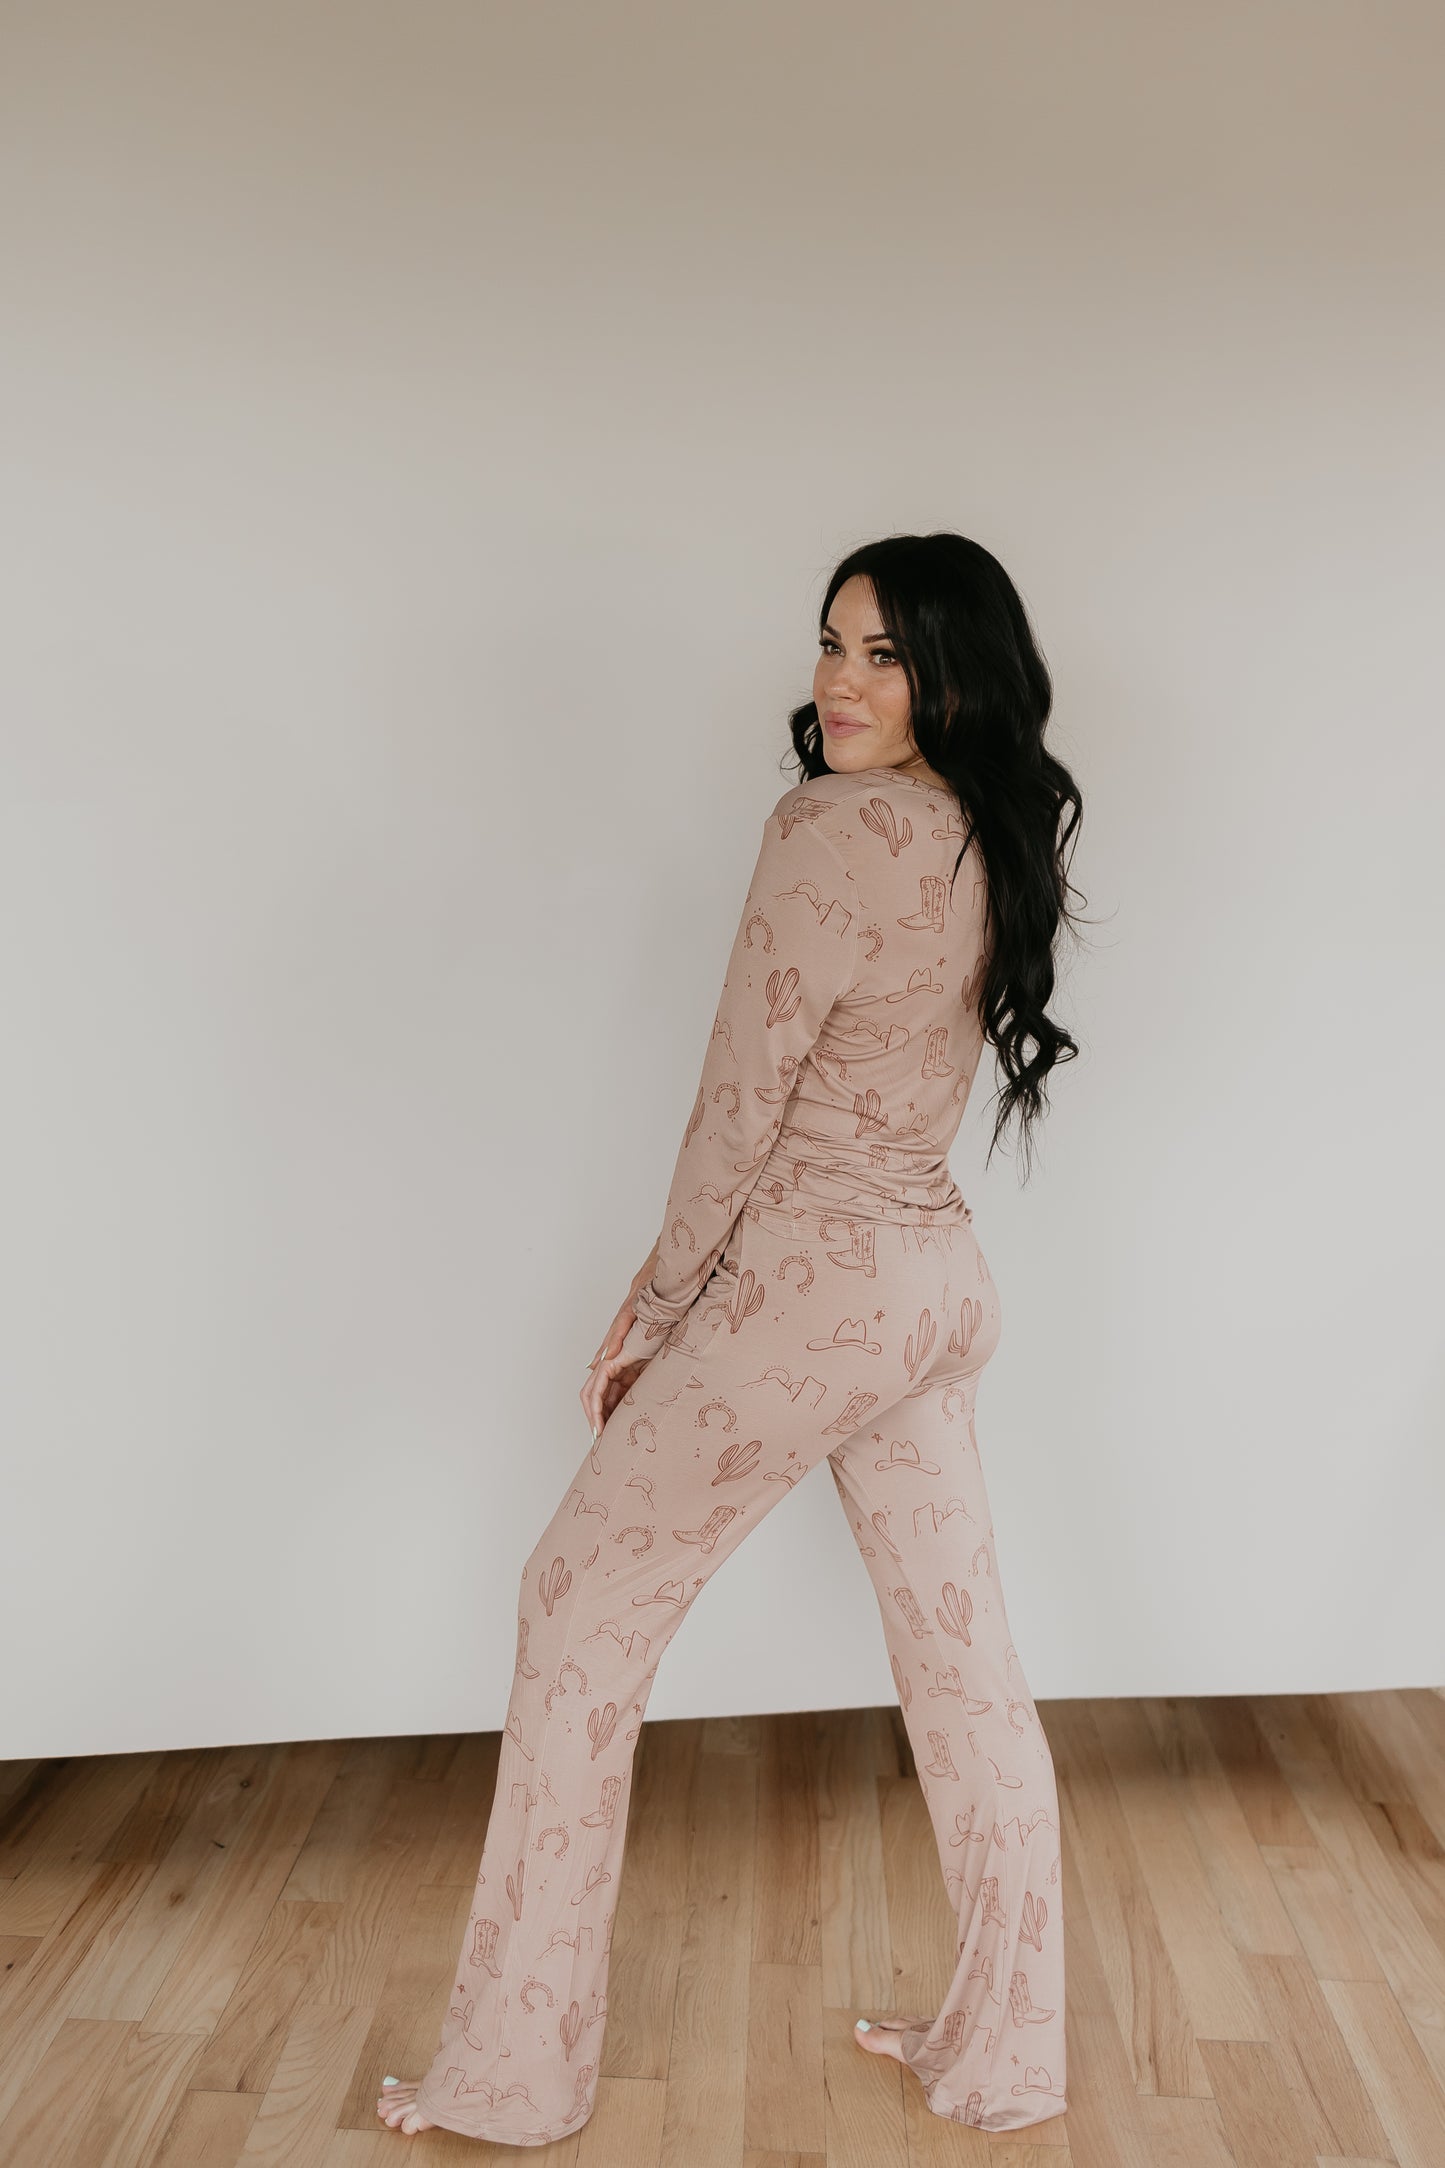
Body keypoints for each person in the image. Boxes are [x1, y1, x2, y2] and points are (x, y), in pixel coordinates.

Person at [377, 532, 1085, 2142]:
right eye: (832, 645)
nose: (839, 683)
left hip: (812, 1293)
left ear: (952, 673)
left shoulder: (828, 830)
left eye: (884, 656)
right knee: (963, 1667)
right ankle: (1008, 2054)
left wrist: (662, 1300)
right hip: (936, 1288)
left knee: (574, 1603)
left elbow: (740, 1102)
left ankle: (516, 2075)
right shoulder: (989, 825)